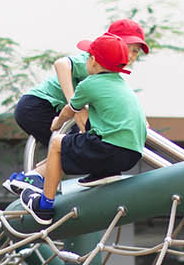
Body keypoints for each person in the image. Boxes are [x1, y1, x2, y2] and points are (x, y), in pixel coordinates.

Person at [14, 33, 148, 223]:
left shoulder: (89, 84)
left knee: (57, 143)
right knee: (83, 138)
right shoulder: (123, 87)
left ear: (92, 60)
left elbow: (70, 110)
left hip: (109, 150)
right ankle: (102, 173)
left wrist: (56, 124)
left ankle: (44, 205)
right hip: (132, 155)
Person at [4, 19, 150, 182]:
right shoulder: (94, 60)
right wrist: (75, 106)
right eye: (126, 47)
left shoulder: (111, 74)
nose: (130, 55)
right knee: (77, 146)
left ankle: (35, 175)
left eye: (135, 51)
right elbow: (62, 64)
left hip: (55, 108)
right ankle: (30, 179)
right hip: (39, 105)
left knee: (76, 145)